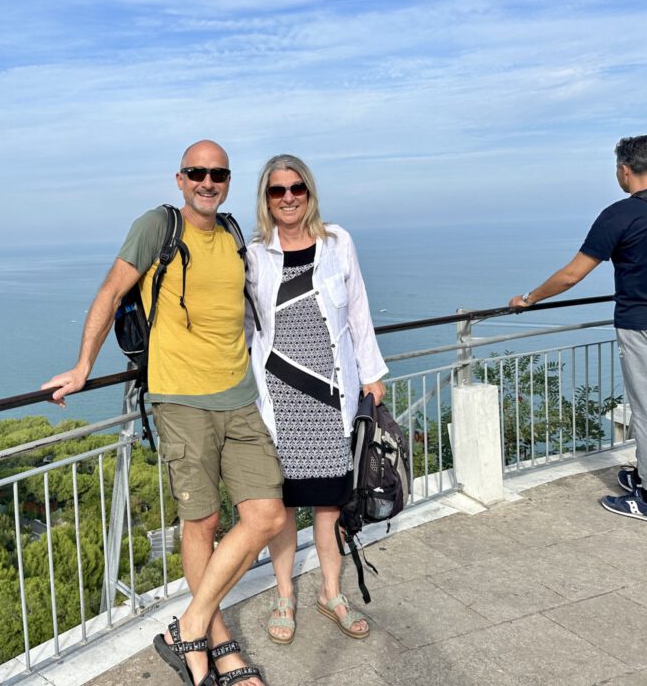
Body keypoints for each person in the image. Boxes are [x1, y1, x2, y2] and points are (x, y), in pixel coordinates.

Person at [42, 140, 284, 686]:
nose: (207, 181)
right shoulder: (158, 226)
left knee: (266, 514)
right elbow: (110, 292)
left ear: (227, 180)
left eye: (217, 174)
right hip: (179, 399)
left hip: (239, 395)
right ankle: (217, 647)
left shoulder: (232, 234)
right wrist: (83, 367)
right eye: (197, 172)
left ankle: (189, 624)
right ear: (180, 179)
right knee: (202, 522)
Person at [244, 154, 388, 644]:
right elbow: (244, 328)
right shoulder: (254, 253)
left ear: (309, 191)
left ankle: (331, 593)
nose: (287, 198)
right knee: (283, 507)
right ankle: (285, 595)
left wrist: (372, 373)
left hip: (331, 395)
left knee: (329, 507)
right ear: (265, 198)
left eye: (296, 188)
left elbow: (359, 312)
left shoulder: (337, 241)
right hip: (279, 397)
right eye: (277, 190)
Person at [509, 135, 647, 525]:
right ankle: (642, 476)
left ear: (624, 169)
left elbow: (573, 275)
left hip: (642, 324)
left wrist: (529, 299)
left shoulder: (618, 215)